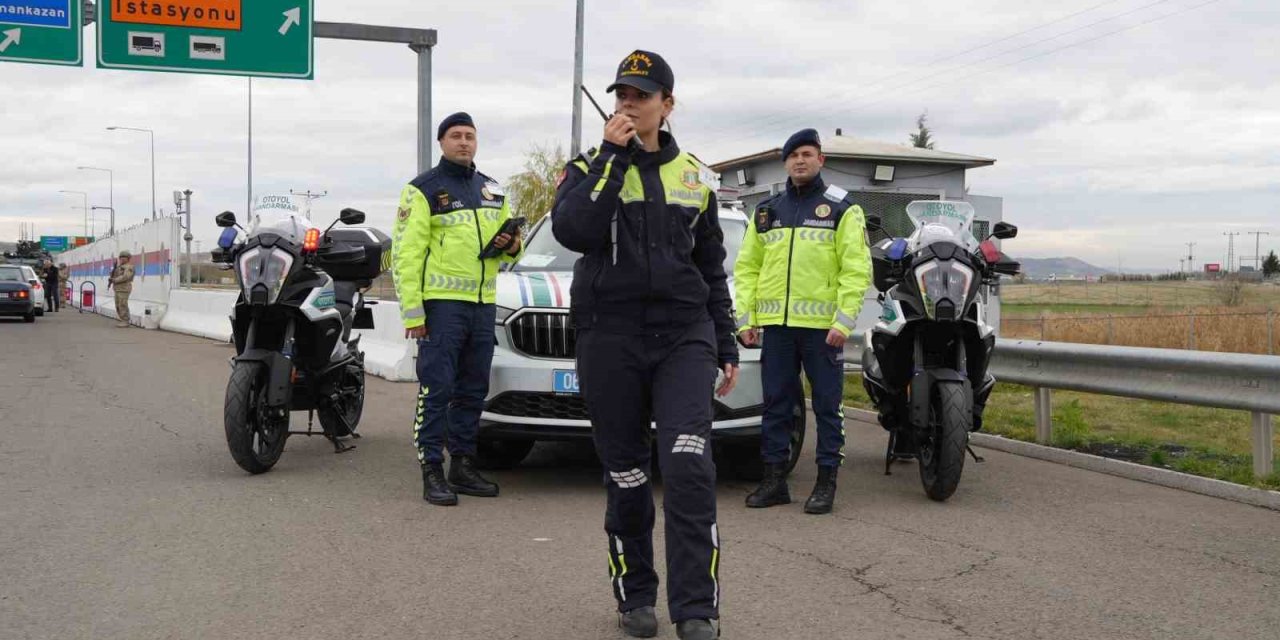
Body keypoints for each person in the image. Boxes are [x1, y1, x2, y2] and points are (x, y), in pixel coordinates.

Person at [552, 50, 736, 640]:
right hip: (610, 337)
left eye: (642, 96)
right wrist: (612, 154)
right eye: (622, 95)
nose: (629, 104)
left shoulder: (698, 178)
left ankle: (696, 607)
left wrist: (725, 339)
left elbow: (711, 267)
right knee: (628, 473)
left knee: (687, 466)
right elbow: (574, 230)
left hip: (685, 337)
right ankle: (635, 595)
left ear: (668, 105)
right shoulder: (587, 167)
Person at [734, 128, 872, 515]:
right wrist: (745, 319)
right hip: (776, 328)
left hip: (822, 330)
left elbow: (856, 269)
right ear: (785, 162)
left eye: (807, 154)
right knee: (776, 405)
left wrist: (843, 322)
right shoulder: (767, 211)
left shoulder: (844, 208)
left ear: (820, 159)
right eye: (793, 155)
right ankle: (775, 480)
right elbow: (747, 268)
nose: (800, 161)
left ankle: (826, 482)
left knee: (828, 406)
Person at [392, 112, 524, 507]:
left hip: (484, 305)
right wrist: (413, 314)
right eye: (456, 136)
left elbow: (513, 248)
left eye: (470, 136)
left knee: (472, 389)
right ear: (442, 142)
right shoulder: (422, 190)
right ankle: (431, 467)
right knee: (437, 389)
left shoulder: (492, 190)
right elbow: (406, 254)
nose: (464, 142)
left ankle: (462, 465)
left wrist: (511, 244)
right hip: (441, 307)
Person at [109, 251, 135, 328]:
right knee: (118, 305)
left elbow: (126, 277)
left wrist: (115, 280)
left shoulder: (129, 267)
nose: (122, 259)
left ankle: (125, 320)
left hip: (124, 288)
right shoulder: (119, 267)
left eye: (124, 258)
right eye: (121, 258)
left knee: (123, 304)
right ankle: (122, 319)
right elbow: (115, 275)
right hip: (117, 288)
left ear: (128, 259)